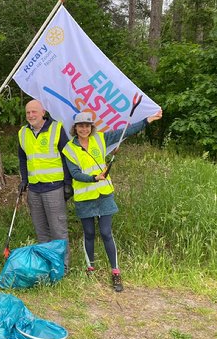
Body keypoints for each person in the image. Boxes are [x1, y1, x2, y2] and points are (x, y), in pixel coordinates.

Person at [62, 109, 163, 292]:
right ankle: (90, 269)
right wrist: (94, 178)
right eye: (80, 126)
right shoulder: (69, 149)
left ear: (91, 127)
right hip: (85, 197)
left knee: (106, 233)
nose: (83, 129)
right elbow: (75, 174)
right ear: (75, 128)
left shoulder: (101, 139)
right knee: (89, 234)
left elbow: (127, 130)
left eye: (87, 125)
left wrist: (148, 120)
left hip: (104, 195)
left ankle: (115, 272)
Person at [18, 100, 73, 269]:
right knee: (41, 231)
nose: (30, 116)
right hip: (34, 189)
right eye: (28, 113)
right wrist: (24, 180)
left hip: (54, 187)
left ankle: (62, 267)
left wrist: (67, 183)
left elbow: (67, 157)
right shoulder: (23, 132)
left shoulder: (56, 129)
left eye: (34, 112)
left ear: (43, 112)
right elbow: (23, 158)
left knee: (58, 230)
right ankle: (48, 265)